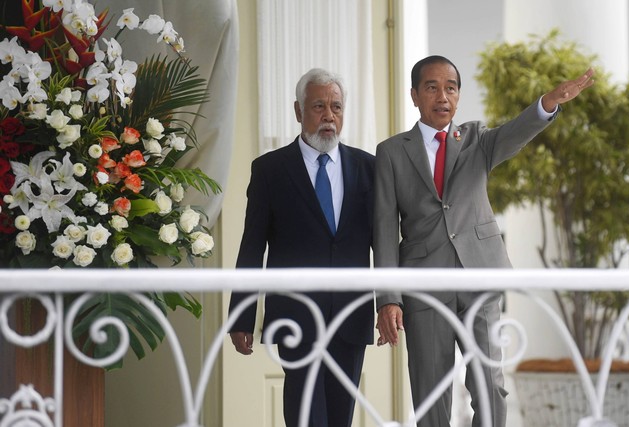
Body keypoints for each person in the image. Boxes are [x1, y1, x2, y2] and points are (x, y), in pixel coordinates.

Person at [373, 55, 594, 427]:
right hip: (425, 287)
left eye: (451, 87)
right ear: (414, 95)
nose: (443, 96)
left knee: (491, 389)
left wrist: (548, 103)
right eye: (432, 87)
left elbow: (516, 131)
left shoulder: (477, 139)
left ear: (458, 96)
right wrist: (388, 298)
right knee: (431, 397)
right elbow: (382, 229)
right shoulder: (392, 152)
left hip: (482, 279)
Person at [228, 68, 375, 427]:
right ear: (298, 111)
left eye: (337, 107)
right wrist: (241, 316)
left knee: (340, 418)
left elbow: (383, 241)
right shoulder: (270, 170)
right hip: (296, 317)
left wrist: (389, 302)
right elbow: (252, 246)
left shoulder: (369, 167)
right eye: (319, 106)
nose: (329, 116)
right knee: (306, 417)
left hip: (350, 316)